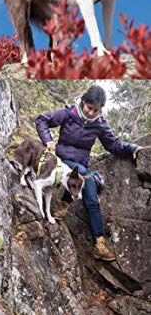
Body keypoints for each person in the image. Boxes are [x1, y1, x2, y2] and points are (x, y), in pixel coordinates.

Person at [35, 85, 147, 261]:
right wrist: (48, 140)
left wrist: (133, 148)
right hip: (62, 161)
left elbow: (113, 144)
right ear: (83, 102)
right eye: (89, 108)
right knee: (83, 174)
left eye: (95, 110)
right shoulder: (69, 113)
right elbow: (42, 120)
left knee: (92, 193)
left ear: (100, 109)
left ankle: (99, 243)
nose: (90, 113)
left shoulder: (100, 124)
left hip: (81, 167)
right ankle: (65, 203)